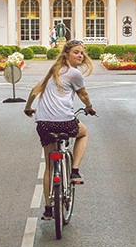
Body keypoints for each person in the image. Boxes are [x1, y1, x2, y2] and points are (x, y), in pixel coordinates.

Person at [24, 39, 97, 219]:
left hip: (43, 124)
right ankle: (74, 170)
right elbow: (83, 94)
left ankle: (48, 209)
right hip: (64, 122)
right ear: (66, 55)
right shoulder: (74, 74)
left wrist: (28, 108)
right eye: (76, 52)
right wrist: (89, 107)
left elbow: (34, 90)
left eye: (81, 53)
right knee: (84, 133)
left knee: (49, 166)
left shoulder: (53, 71)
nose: (80, 55)